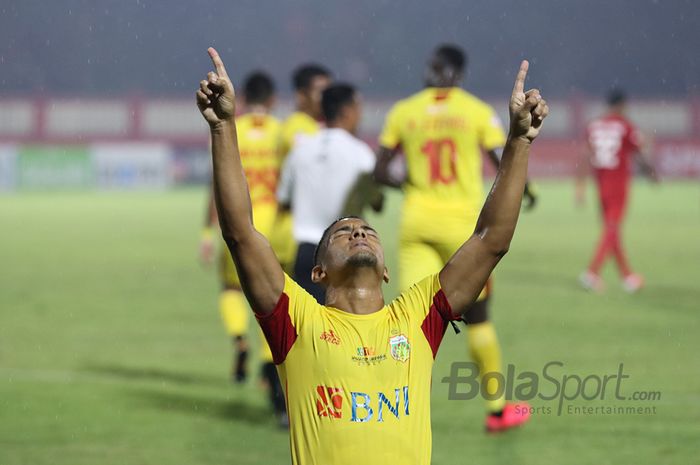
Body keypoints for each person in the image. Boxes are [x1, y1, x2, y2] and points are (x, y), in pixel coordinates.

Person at [196, 47, 547, 465]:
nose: (358, 231)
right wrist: (222, 127)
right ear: (319, 271)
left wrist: (520, 141)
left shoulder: (416, 317)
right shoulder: (297, 322)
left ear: (386, 272)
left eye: (366, 230)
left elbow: (491, 240)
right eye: (343, 232)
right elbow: (239, 234)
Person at [374, 44, 533, 432]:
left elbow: (379, 170)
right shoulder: (475, 111)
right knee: (477, 317)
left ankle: (396, 403)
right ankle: (498, 410)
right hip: (463, 230)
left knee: (410, 320)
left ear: (432, 71)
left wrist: (410, 183)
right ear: (459, 74)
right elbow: (502, 159)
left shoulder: (403, 111)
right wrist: (525, 191)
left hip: (416, 224)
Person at [199, 71, 287, 425]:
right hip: (278, 229)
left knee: (232, 288)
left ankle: (239, 339)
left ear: (245, 95)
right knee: (276, 299)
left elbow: (218, 182)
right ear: (273, 99)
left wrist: (208, 231)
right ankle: (269, 364)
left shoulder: (228, 124)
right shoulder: (283, 133)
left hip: (238, 222)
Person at [277, 83, 383, 303]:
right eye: (358, 109)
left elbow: (284, 201)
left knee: (308, 330)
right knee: (348, 329)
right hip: (345, 249)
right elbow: (376, 202)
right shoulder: (360, 153)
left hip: (305, 251)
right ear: (347, 111)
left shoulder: (301, 149)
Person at [576, 88, 658, 293]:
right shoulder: (625, 126)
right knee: (612, 229)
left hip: (601, 183)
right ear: (621, 105)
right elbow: (639, 152)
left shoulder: (593, 126)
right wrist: (651, 173)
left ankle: (628, 277)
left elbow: (585, 155)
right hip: (619, 184)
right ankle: (592, 273)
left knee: (612, 230)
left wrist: (581, 186)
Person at [269, 64, 333, 276]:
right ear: (301, 95)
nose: (327, 98)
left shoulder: (317, 127)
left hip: (308, 231)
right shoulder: (297, 128)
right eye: (321, 92)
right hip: (295, 235)